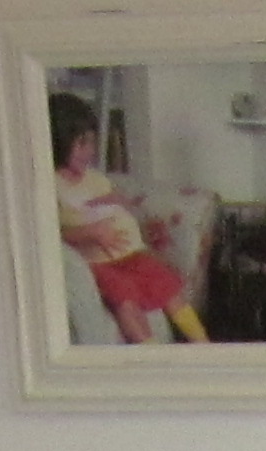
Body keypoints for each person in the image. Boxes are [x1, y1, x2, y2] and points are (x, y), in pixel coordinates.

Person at [47, 91, 209, 344]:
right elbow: (52, 232)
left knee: (167, 285)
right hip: (99, 263)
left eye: (92, 142)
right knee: (125, 297)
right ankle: (150, 351)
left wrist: (125, 209)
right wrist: (90, 232)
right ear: (60, 141)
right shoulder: (53, 185)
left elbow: (114, 205)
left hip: (131, 254)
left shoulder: (95, 179)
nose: (89, 151)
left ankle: (204, 345)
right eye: (81, 143)